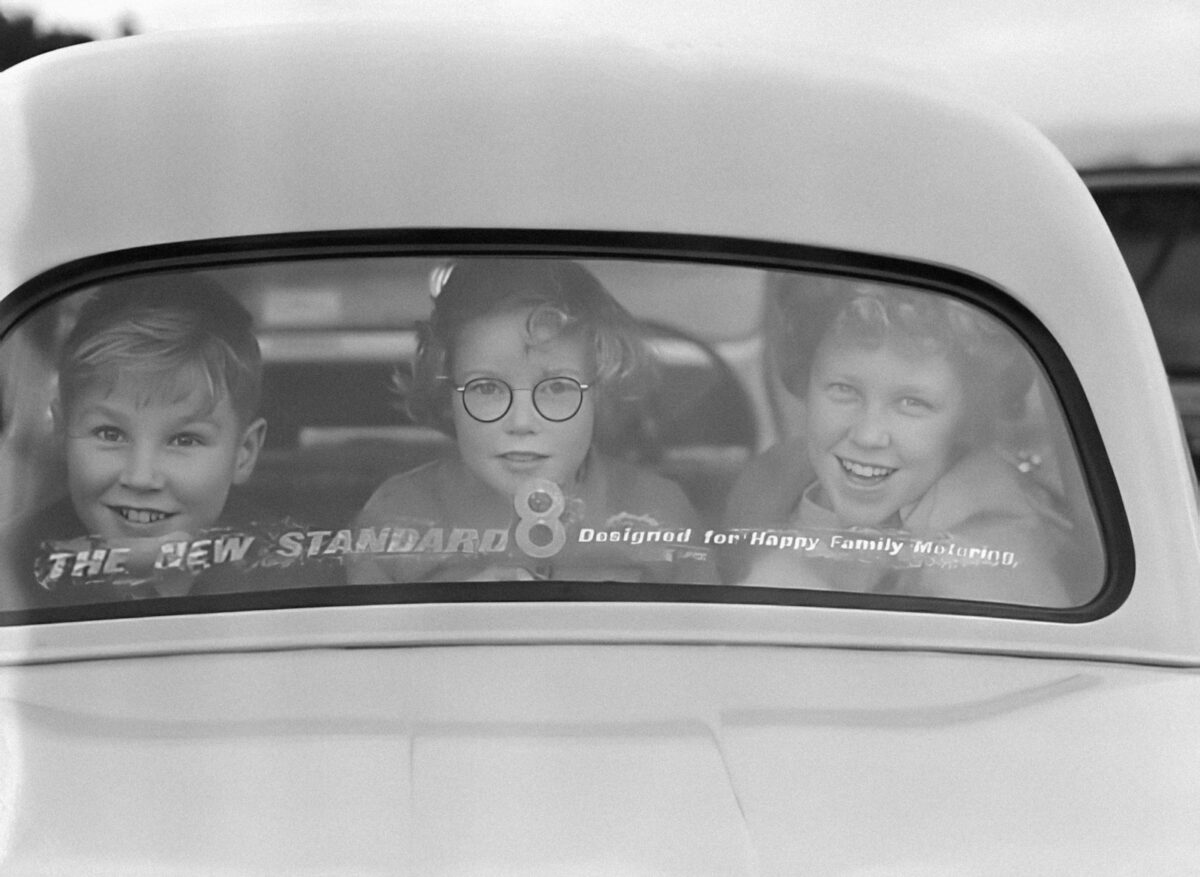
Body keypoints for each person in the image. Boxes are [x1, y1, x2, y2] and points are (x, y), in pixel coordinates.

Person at [348, 259, 713, 584]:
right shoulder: (397, 517)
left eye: (556, 387)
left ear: (598, 392)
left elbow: (710, 651)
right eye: (487, 387)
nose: (521, 421)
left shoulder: (657, 514)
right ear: (447, 396)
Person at [724, 282, 1080, 607]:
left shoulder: (987, 567)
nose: (867, 435)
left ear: (964, 419)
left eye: (912, 403)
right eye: (843, 390)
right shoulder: (770, 484)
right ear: (806, 383)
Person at [20, 274, 318, 605]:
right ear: (62, 433)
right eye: (110, 434)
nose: (141, 477)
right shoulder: (11, 575)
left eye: (184, 440)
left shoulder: (299, 576)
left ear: (244, 453)